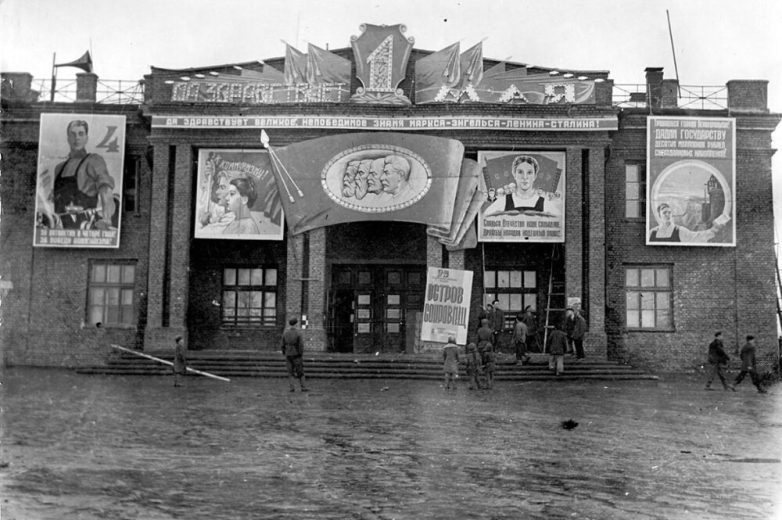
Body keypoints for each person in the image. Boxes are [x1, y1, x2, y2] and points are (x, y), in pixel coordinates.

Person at [48, 119, 117, 230]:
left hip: (84, 229)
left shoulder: (93, 161)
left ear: (86, 138)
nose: (77, 138)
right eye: (73, 134)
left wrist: (106, 218)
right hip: (60, 229)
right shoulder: (59, 168)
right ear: (68, 139)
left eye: (81, 134)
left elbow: (106, 192)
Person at [485, 155, 560, 216]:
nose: (525, 177)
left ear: (535, 176)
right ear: (514, 174)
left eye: (529, 173)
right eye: (520, 172)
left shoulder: (546, 204)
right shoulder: (502, 202)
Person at [648, 202, 725, 243]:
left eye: (669, 212)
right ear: (659, 215)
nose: (668, 215)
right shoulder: (651, 233)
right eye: (664, 213)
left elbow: (696, 236)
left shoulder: (679, 231)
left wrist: (713, 230)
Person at [281, 318, 308, 392]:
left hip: (288, 354)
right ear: (296, 324)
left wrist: (285, 352)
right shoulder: (298, 333)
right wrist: (300, 353)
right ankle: (303, 387)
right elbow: (301, 345)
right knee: (300, 371)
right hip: (296, 354)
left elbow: (282, 345)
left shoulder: (285, 333)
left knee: (290, 372)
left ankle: (292, 387)